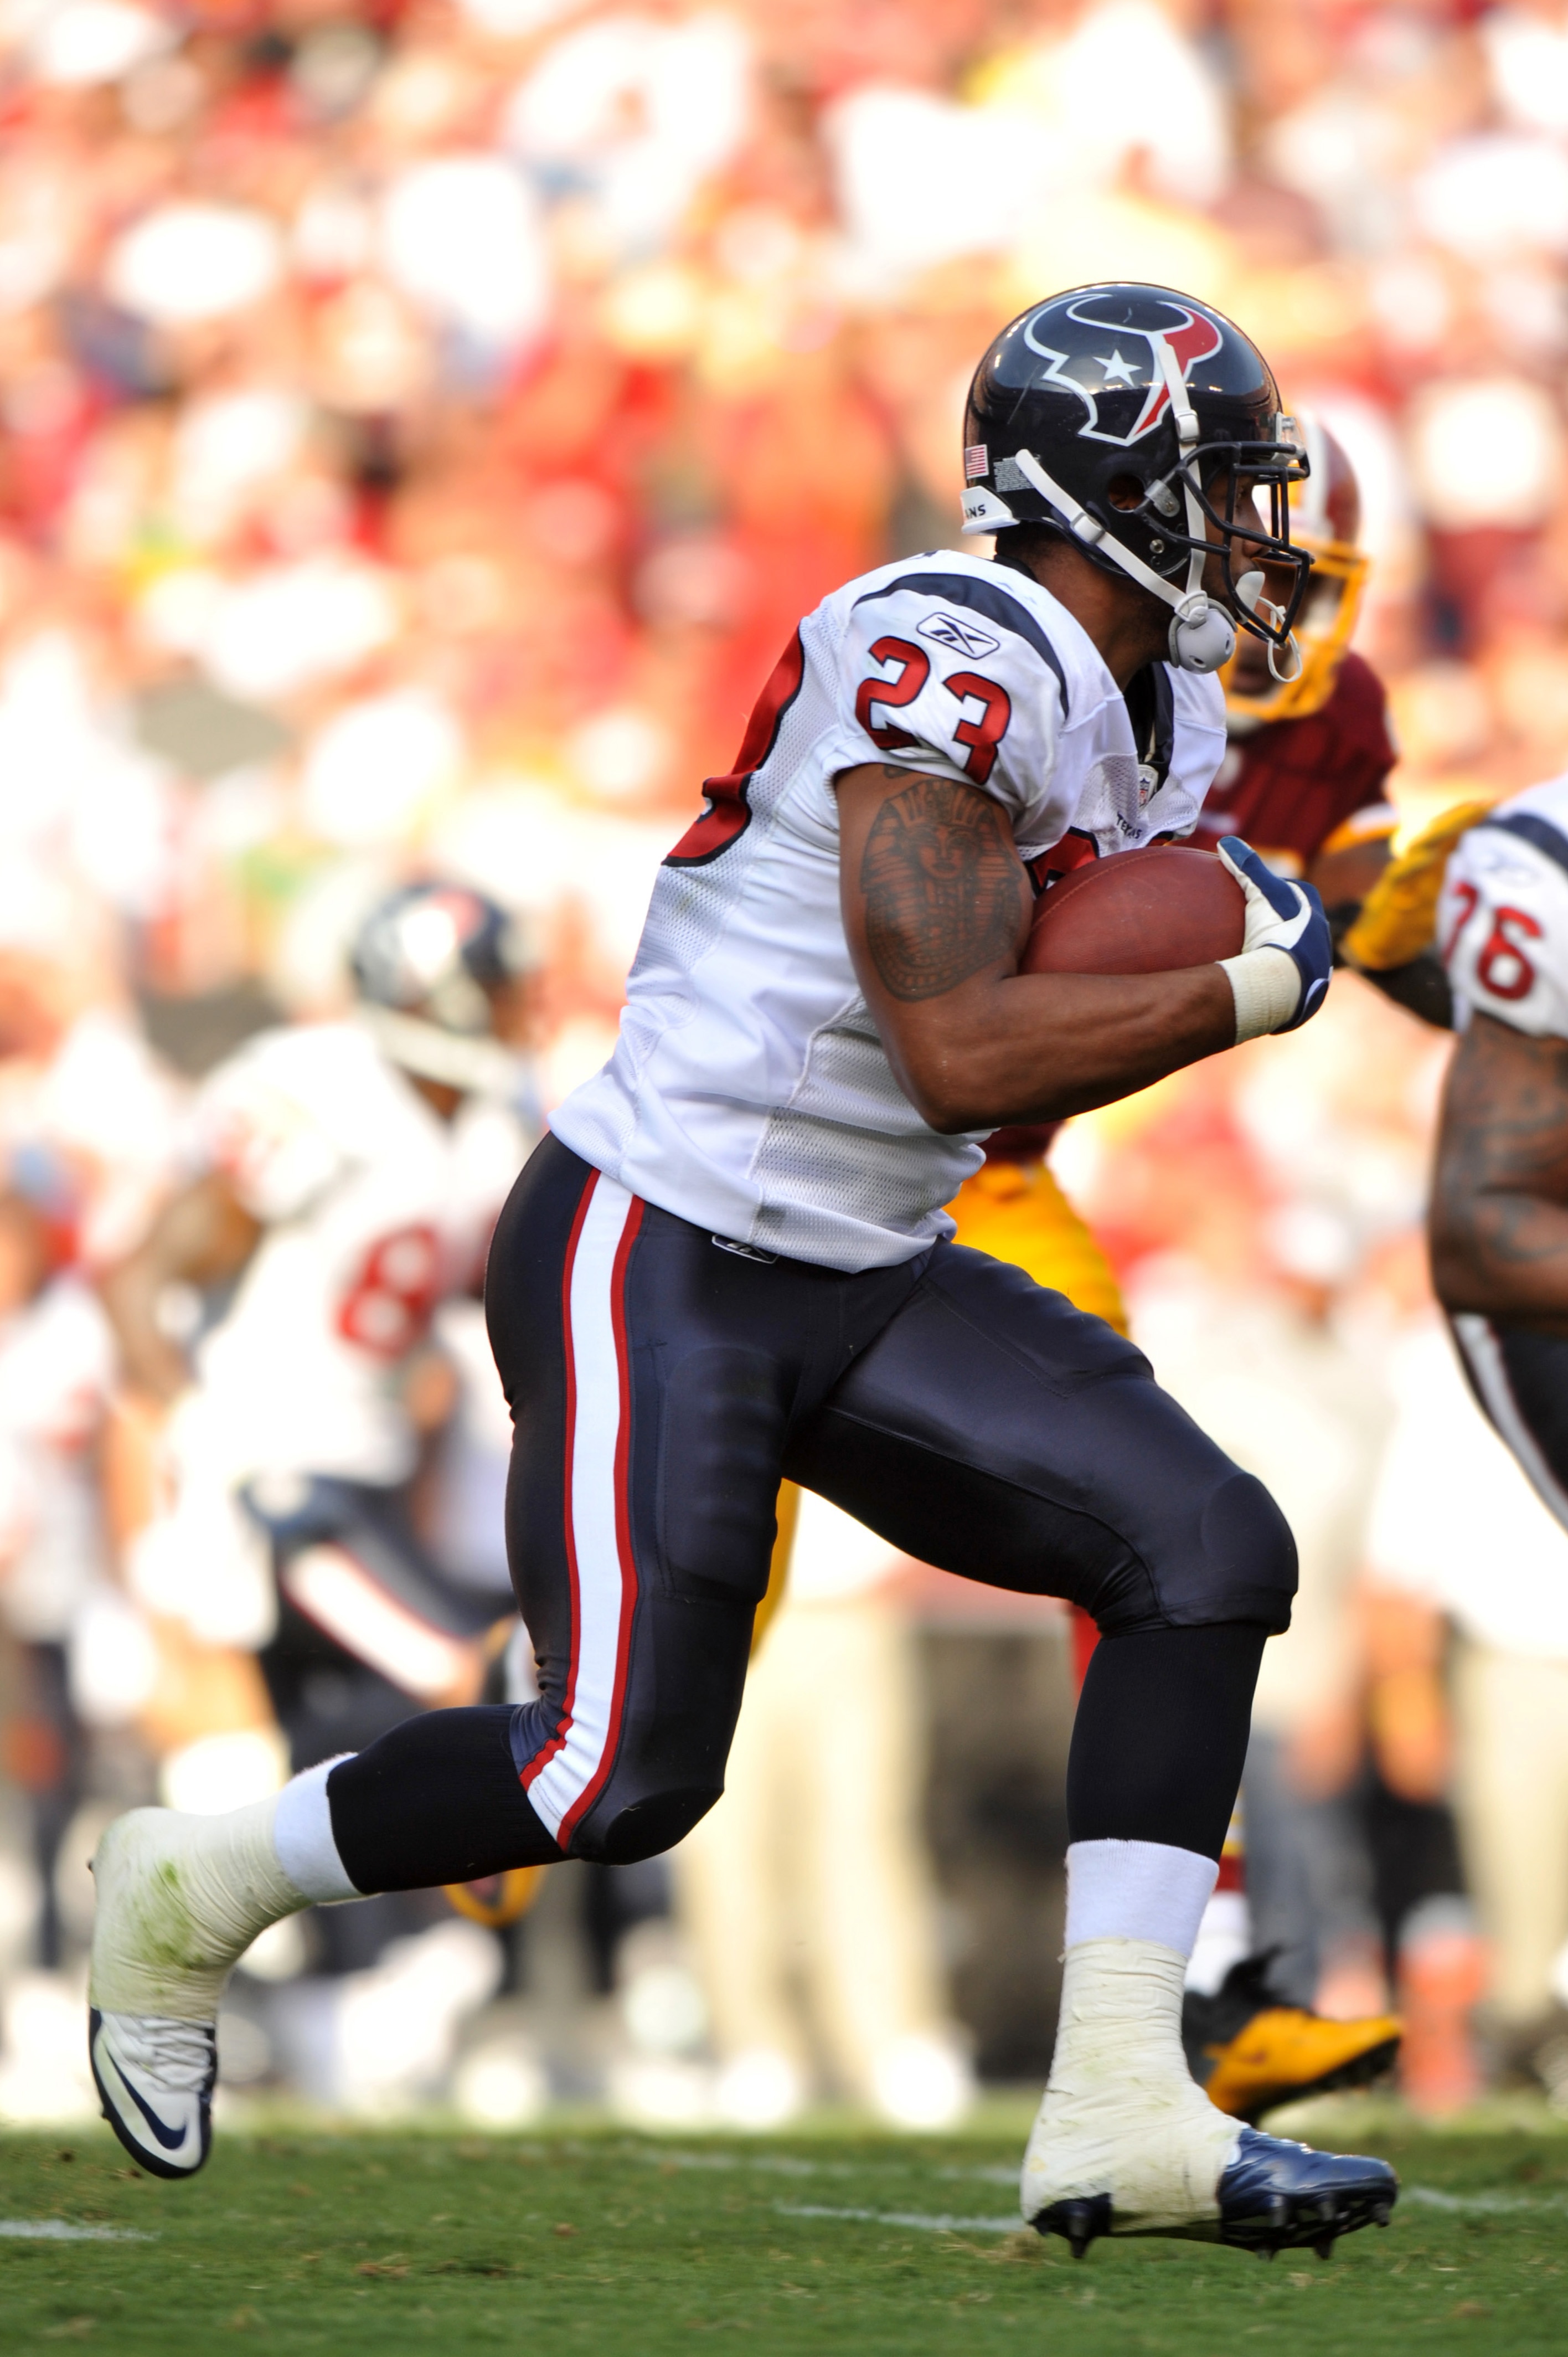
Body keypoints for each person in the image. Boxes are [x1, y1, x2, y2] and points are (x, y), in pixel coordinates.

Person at [87, 283, 1394, 2257]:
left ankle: (1124, 2101)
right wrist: (1238, 986)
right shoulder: (948, 646)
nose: (1249, 532)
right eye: (1219, 487)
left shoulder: (1167, 704)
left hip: (864, 1255)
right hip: (664, 1244)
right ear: (1100, 489)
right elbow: (957, 1049)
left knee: (1206, 1543)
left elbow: (1011, 1041)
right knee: (612, 1773)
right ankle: (193, 1880)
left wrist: (1218, 952)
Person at [94, 881, 538, 1954]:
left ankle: (320, 1983)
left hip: (368, 1471)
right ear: (436, 994)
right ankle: (221, 1943)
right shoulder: (320, 1092)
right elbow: (139, 1278)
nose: (516, 1008)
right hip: (273, 1475)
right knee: (459, 1675)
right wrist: (190, 1435)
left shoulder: (491, 1126)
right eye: (495, 987)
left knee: (325, 1746)